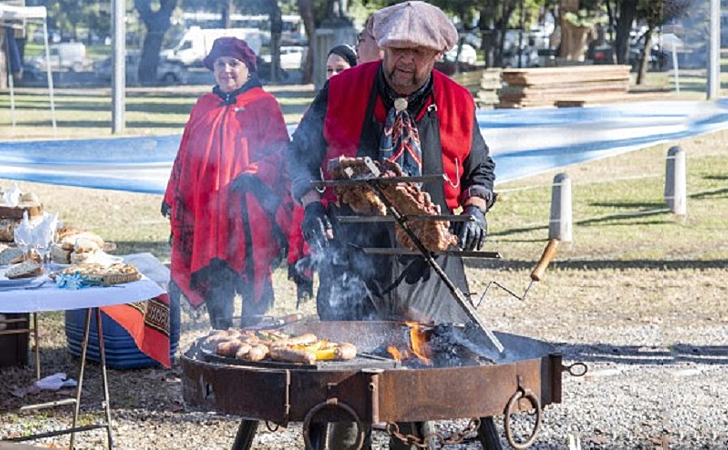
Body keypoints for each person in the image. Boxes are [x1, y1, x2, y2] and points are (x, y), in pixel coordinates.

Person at [288, 2, 495, 447]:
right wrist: (311, 204)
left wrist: (476, 208)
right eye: (398, 49)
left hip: (429, 267)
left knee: (417, 387)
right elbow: (298, 154)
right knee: (345, 384)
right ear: (382, 47)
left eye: (417, 53)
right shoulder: (341, 89)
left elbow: (480, 169)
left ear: (437, 55)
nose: (406, 60)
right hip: (353, 261)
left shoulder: (458, 101)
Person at [164, 37, 292, 330]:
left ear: (248, 68)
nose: (226, 70)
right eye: (220, 64)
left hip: (249, 214)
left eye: (233, 63)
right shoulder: (204, 105)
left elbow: (280, 153)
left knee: (251, 278)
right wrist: (172, 195)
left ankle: (251, 338)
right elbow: (184, 155)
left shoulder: (264, 104)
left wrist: (255, 173)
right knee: (215, 277)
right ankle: (220, 338)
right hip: (208, 213)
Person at [287, 44, 360, 307]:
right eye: (329, 70)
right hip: (329, 208)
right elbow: (300, 154)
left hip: (364, 210)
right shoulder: (320, 106)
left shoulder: (363, 103)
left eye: (341, 69)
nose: (334, 75)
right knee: (331, 288)